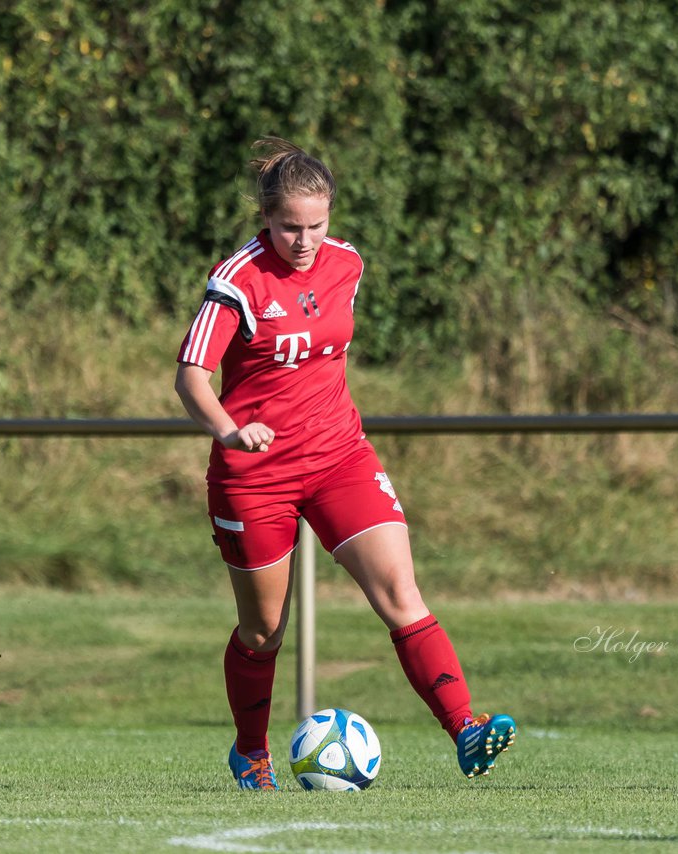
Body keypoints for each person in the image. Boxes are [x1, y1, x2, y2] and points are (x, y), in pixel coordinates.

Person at [174, 137, 516, 790]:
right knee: (263, 628)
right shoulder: (236, 280)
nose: (303, 241)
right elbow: (192, 375)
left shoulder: (347, 265)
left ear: (331, 216)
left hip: (340, 458)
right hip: (256, 476)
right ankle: (251, 753)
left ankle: (466, 729)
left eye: (316, 226)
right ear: (266, 220)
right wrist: (228, 428)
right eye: (289, 228)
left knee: (400, 595)